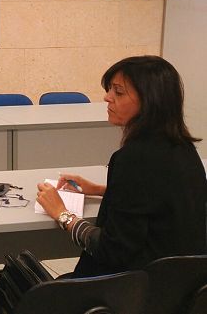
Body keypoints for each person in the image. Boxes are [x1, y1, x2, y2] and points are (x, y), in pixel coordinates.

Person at [36, 55, 206, 277]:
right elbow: (157, 198)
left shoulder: (133, 158)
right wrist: (100, 190)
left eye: (118, 92)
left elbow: (111, 249)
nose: (107, 97)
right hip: (179, 285)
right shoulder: (183, 148)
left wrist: (62, 214)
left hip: (132, 287)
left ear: (150, 101)